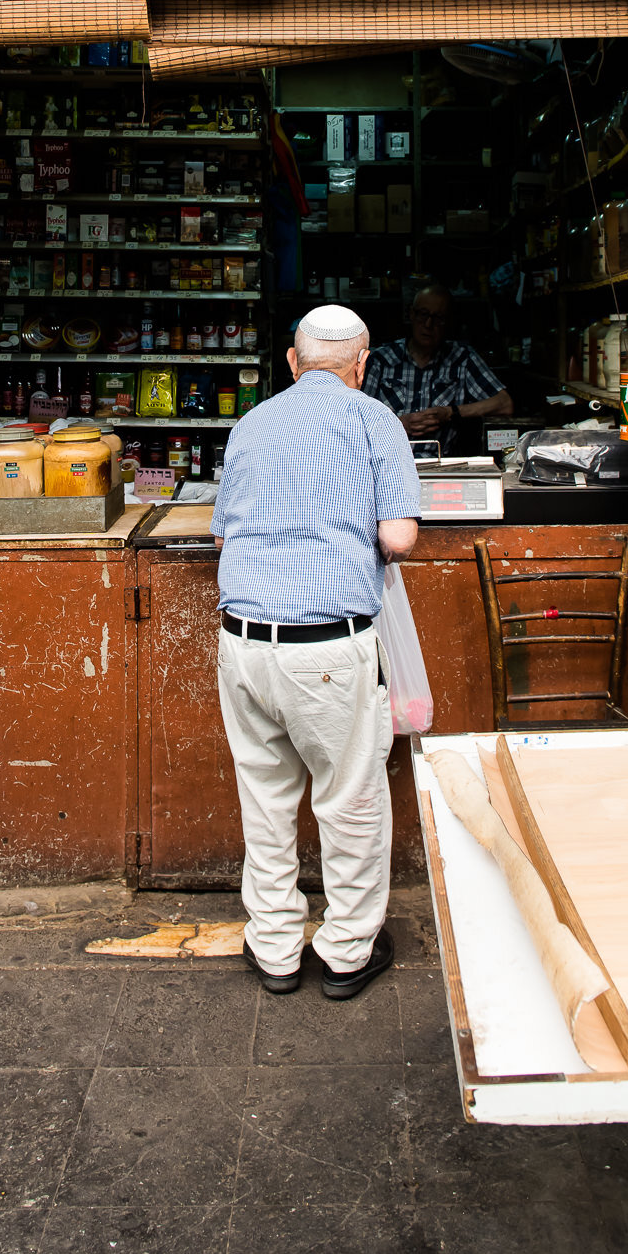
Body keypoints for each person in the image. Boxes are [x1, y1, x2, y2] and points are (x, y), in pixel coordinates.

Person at [211, 304, 421, 1000]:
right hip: (327, 649)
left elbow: (222, 537)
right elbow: (397, 539)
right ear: (361, 366)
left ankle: (273, 948)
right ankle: (345, 952)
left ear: (293, 363)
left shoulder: (251, 423)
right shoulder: (373, 420)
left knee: (266, 800)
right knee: (350, 799)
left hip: (244, 645)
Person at [362, 283, 512, 452]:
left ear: (448, 322)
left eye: (438, 318)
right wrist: (397, 425)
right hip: (386, 460)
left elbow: (504, 404)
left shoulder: (461, 358)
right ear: (411, 314)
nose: (428, 324)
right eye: (423, 314)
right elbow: (356, 418)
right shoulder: (381, 359)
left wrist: (451, 412)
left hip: (439, 464)